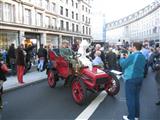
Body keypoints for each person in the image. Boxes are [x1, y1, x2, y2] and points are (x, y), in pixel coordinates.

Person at [120, 42, 146, 120]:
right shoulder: (142, 56)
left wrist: (122, 58)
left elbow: (123, 64)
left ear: (134, 47)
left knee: (130, 99)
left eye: (132, 46)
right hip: (140, 78)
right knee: (136, 98)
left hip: (131, 79)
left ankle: (131, 117)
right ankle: (136, 116)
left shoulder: (132, 56)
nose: (131, 48)